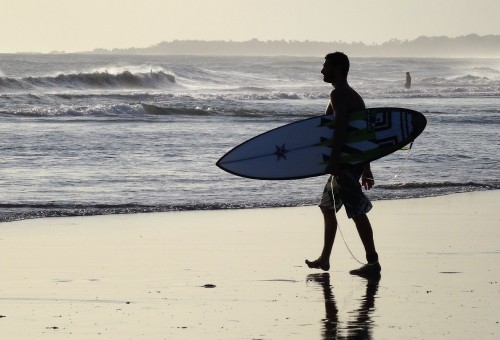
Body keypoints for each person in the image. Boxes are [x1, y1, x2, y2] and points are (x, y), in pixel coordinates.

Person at [305, 52, 381, 278]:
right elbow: (362, 133)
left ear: (337, 69)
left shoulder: (339, 95)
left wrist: (334, 161)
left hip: (345, 163)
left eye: (326, 66)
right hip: (350, 161)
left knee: (357, 212)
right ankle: (325, 258)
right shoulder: (351, 96)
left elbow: (339, 130)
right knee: (327, 206)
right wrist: (366, 167)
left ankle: (373, 262)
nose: (322, 70)